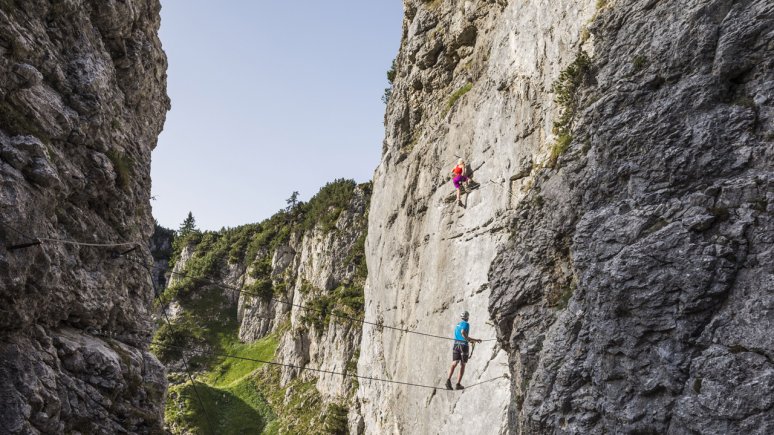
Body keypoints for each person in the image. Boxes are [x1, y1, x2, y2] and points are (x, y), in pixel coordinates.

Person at [446, 311, 481, 390]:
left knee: (454, 363)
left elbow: (459, 333)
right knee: (463, 364)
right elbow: (463, 333)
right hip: (463, 345)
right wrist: (472, 340)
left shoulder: (457, 324)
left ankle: (448, 380)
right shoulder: (466, 324)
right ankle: (458, 384)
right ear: (467, 317)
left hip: (456, 345)